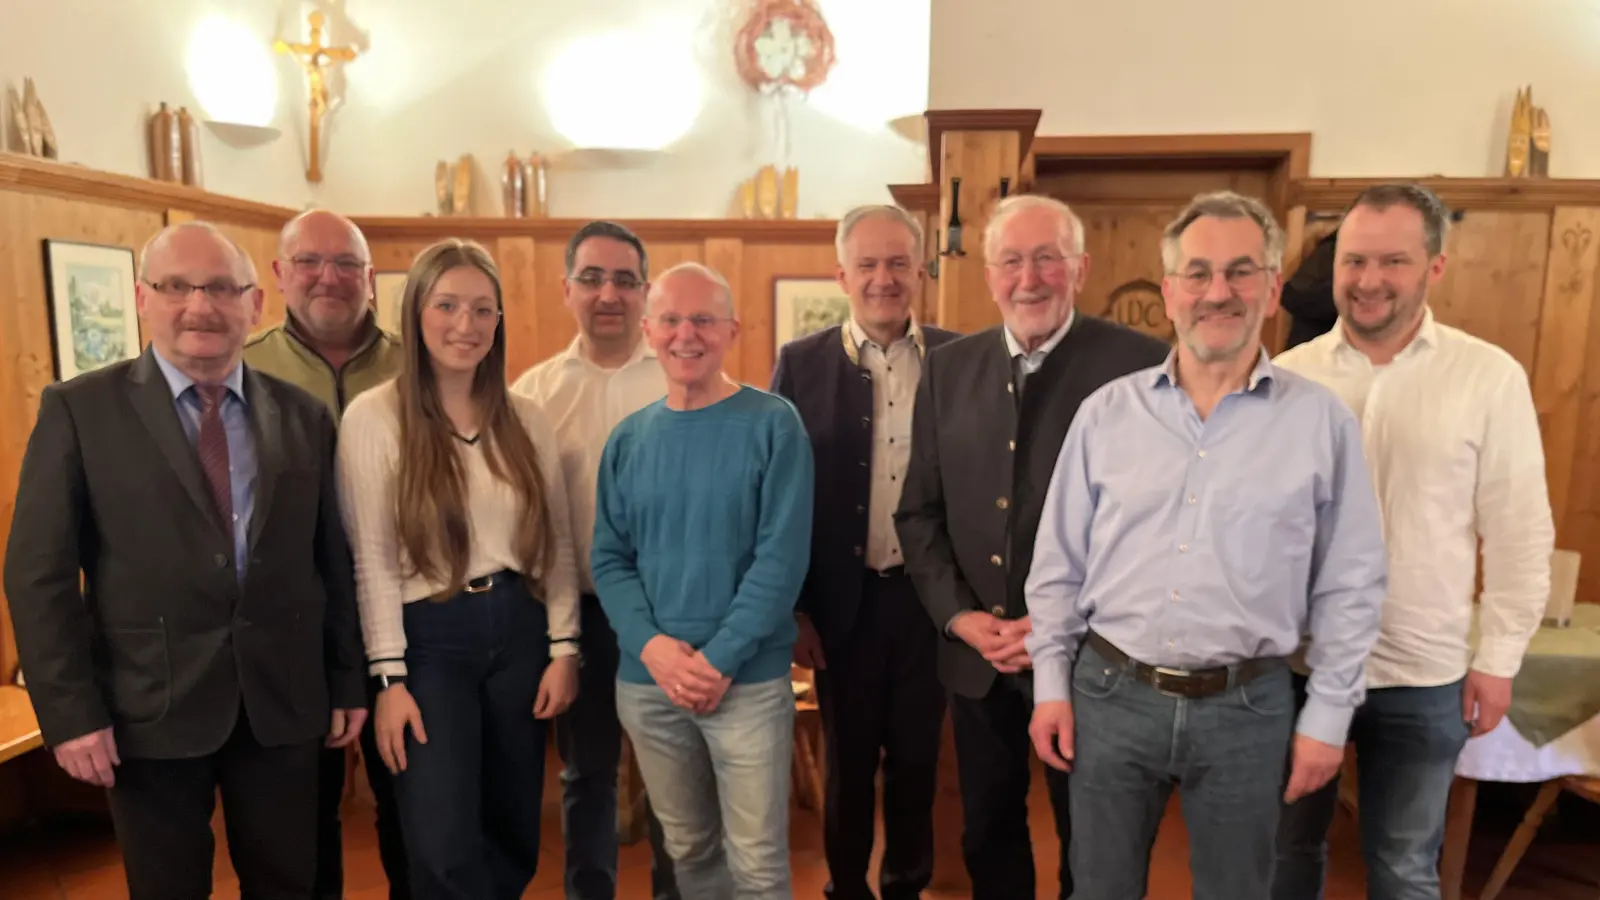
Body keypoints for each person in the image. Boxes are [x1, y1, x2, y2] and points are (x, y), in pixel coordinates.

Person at [1024, 190, 1390, 900]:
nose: (1216, 292)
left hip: (1247, 709)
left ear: (1274, 287)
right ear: (1169, 292)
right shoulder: (1107, 415)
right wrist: (1049, 687)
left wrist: (1328, 717)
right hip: (1110, 693)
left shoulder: (1321, 423)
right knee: (1097, 889)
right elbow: (1057, 568)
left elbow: (1350, 582)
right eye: (1197, 274)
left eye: (1240, 272)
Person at [3, 221, 368, 900]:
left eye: (222, 288)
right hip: (145, 706)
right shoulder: (79, 411)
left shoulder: (304, 415)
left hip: (282, 703)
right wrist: (70, 712)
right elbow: (38, 573)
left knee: (294, 883)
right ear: (143, 298)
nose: (200, 305)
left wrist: (346, 679)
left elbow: (331, 561)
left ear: (256, 303)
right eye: (177, 286)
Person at [1272, 184, 1555, 900]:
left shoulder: (1487, 378)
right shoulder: (1287, 378)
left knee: (1403, 869)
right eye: (1354, 260)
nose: (1368, 280)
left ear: (1435, 267)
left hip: (1422, 673)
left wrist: (1499, 657)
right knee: (1283, 856)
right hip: (1300, 665)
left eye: (1392, 261)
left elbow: (1519, 530)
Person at [893, 193, 1170, 900]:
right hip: (978, 654)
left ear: (1079, 268)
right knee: (988, 831)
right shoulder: (950, 369)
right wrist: (960, 618)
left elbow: (1159, 527)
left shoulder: (1139, 366)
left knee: (1096, 839)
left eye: (1047, 258)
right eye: (1012, 261)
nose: (1030, 278)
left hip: (1094, 658)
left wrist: (1056, 623)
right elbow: (919, 514)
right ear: (989, 275)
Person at [336, 238, 581, 899]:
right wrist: (388, 680)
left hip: (520, 633)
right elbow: (374, 562)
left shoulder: (525, 417)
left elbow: (554, 541)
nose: (465, 326)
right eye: (447, 305)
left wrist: (564, 646)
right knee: (440, 842)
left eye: (482, 309)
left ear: (499, 320)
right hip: (428, 643)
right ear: (416, 312)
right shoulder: (374, 418)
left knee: (511, 831)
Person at [592, 262, 813, 900]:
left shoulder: (774, 426)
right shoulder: (628, 440)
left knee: (758, 863)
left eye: (703, 320)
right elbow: (609, 559)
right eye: (670, 319)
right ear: (648, 329)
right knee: (688, 848)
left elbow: (781, 562)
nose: (685, 334)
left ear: (731, 331)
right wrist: (656, 651)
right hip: (649, 684)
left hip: (745, 682)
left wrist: (717, 661)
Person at [770, 204, 956, 900]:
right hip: (840, 604)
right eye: (869, 264)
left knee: (915, 763)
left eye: (898, 262)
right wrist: (793, 610)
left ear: (919, 270)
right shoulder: (801, 363)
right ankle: (845, 888)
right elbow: (778, 498)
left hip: (928, 603)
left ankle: (905, 887)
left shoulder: (959, 357)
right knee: (847, 763)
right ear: (841, 274)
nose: (884, 278)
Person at [510, 220, 680, 900]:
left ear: (645, 291)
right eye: (591, 277)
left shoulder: (683, 374)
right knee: (588, 776)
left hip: (673, 612)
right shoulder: (533, 395)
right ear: (566, 288)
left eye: (623, 279)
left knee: (675, 771)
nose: (608, 293)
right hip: (577, 612)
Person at [246, 207, 408, 900]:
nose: (328, 277)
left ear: (371, 279)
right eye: (309, 262)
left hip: (405, 620)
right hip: (297, 629)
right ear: (279, 275)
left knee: (411, 805)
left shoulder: (419, 363)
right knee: (301, 821)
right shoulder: (244, 369)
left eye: (346, 263)